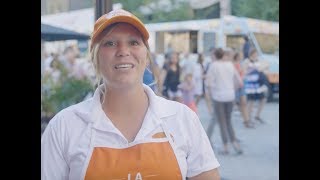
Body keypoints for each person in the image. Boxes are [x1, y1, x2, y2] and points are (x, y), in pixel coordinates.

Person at [41, 9, 220, 180]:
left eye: (133, 42)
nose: (123, 51)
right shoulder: (64, 126)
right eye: (110, 43)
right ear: (95, 57)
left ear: (147, 55)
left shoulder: (182, 118)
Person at [206, 48, 243, 155]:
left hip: (218, 97)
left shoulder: (213, 66)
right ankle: (235, 144)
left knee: (222, 122)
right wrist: (232, 89)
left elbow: (209, 83)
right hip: (230, 96)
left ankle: (225, 146)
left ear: (215, 55)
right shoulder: (230, 65)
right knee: (228, 120)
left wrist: (212, 92)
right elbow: (239, 82)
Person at [232, 52, 254, 128]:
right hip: (235, 86)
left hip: (242, 85)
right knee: (233, 104)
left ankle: (246, 121)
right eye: (240, 55)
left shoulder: (240, 63)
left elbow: (243, 72)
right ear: (236, 56)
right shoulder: (232, 64)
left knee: (244, 103)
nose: (241, 57)